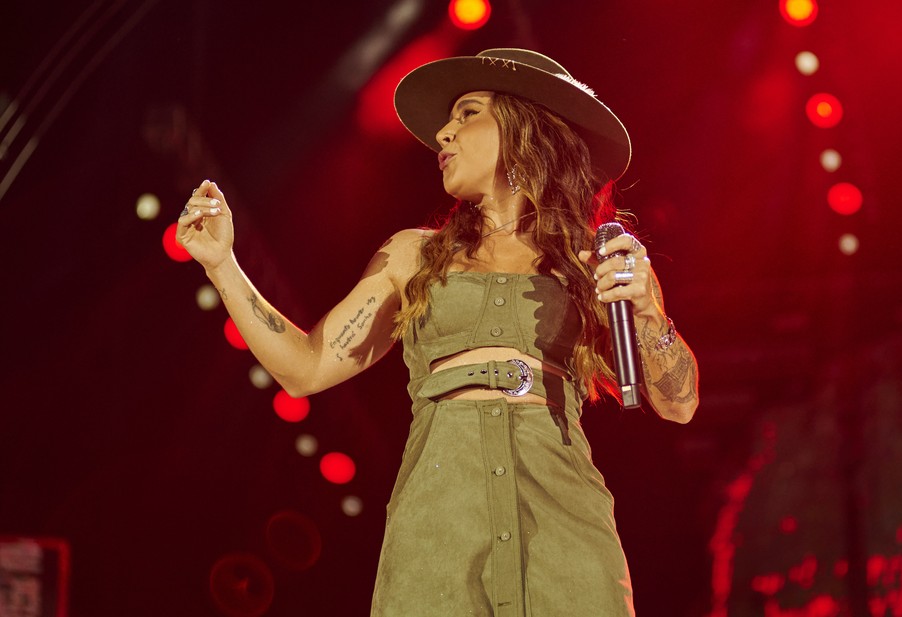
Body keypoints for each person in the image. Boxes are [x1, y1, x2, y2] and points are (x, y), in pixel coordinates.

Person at [177, 48, 698, 616]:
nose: (444, 133)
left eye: (467, 113)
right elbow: (303, 369)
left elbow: (680, 405)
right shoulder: (414, 255)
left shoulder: (590, 262)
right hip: (439, 534)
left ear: (524, 127)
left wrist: (649, 314)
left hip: (565, 532)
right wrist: (222, 264)